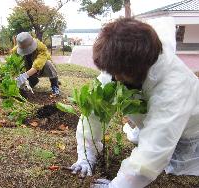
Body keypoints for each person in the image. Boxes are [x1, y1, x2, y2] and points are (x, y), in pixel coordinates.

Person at [68, 17, 199, 188]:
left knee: (170, 161)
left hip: (191, 131)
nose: (114, 78)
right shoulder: (121, 62)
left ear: (135, 69)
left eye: (117, 74)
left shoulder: (174, 88)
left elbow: (155, 148)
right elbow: (94, 112)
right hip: (158, 121)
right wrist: (86, 155)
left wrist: (117, 186)